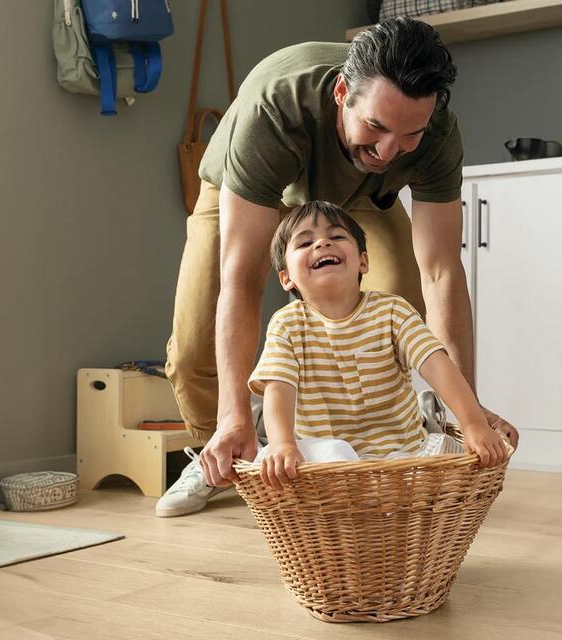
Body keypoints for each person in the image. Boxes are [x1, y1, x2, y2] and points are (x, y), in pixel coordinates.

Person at [157, 18, 519, 518]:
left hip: (356, 197)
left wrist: (470, 413)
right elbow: (242, 279)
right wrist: (232, 413)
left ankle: (401, 440)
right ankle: (223, 445)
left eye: (408, 134)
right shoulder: (274, 110)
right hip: (247, 186)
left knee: (401, 308)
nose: (389, 151)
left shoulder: (434, 136)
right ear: (343, 93)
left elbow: (442, 272)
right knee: (195, 344)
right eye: (376, 126)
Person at [250, 201, 507, 491]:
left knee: (448, 454)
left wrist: (472, 423)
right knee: (321, 454)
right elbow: (278, 387)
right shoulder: (287, 324)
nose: (322, 243)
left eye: (336, 237)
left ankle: (414, 448)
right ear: (286, 277)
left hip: (402, 452)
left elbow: (435, 361)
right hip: (330, 459)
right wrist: (282, 444)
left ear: (363, 261)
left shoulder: (392, 311)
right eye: (306, 242)